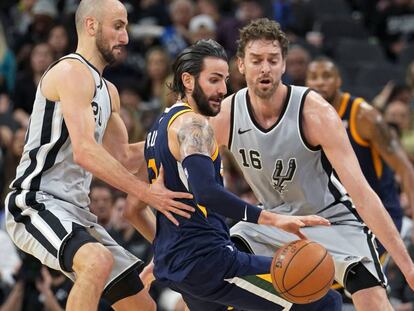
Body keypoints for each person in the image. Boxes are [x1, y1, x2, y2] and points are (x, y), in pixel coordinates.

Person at [208, 18, 414, 311]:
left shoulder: (315, 111)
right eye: (256, 60)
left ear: (284, 65)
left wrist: (407, 265)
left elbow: (362, 193)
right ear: (240, 65)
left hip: (332, 219)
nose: (265, 68)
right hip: (272, 221)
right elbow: (182, 162)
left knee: (374, 302)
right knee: (214, 271)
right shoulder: (226, 114)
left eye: (272, 60)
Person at [4, 1, 194, 311]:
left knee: (143, 307)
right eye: (118, 26)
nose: (126, 37)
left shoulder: (108, 91)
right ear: (91, 26)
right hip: (36, 200)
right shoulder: (70, 71)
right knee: (97, 260)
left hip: (76, 212)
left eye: (126, 27)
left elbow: (123, 158)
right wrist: (149, 194)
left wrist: (173, 138)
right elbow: (85, 152)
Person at [138, 39, 341, 311]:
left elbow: (163, 202)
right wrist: (274, 219)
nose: (223, 89)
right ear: (188, 81)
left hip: (179, 261)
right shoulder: (194, 124)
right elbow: (206, 192)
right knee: (320, 297)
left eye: (224, 80)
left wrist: (165, 252)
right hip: (209, 262)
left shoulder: (159, 127)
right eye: (213, 80)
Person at [305, 57, 414, 255]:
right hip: (336, 218)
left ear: (338, 81)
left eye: (327, 76)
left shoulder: (363, 116)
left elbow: (405, 169)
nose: (320, 82)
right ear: (306, 83)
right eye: (313, 77)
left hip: (379, 216)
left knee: (367, 283)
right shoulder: (304, 116)